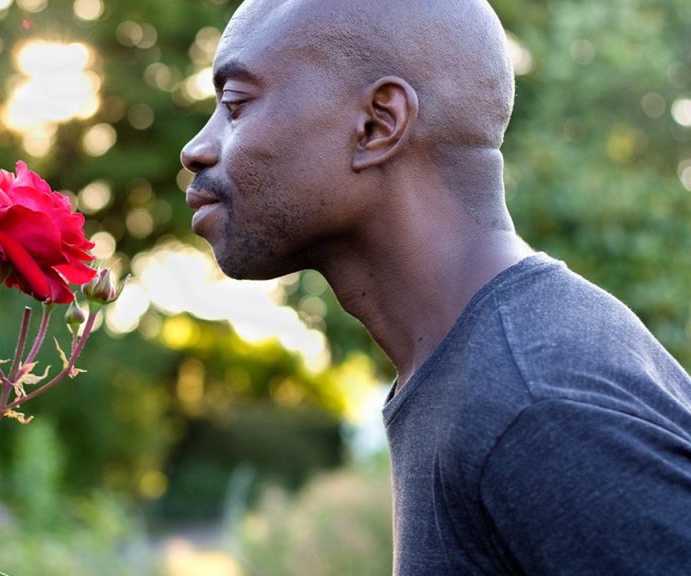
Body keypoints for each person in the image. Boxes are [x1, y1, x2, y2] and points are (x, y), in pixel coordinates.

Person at [180, 0, 691, 573]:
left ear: (377, 125)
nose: (196, 148)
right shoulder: (484, 369)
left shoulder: (537, 402)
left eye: (235, 105)